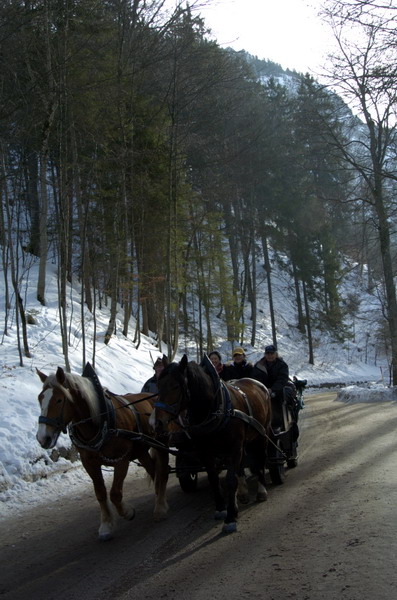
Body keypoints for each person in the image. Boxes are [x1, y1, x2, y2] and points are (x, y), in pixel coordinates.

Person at [251, 344, 293, 426]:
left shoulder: (282, 365)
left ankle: (277, 424)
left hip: (276, 392)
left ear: (276, 354)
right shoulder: (259, 365)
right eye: (268, 353)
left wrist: (272, 389)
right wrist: (262, 389)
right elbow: (255, 379)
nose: (270, 355)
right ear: (265, 354)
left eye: (271, 353)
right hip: (262, 391)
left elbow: (282, 379)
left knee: (276, 402)